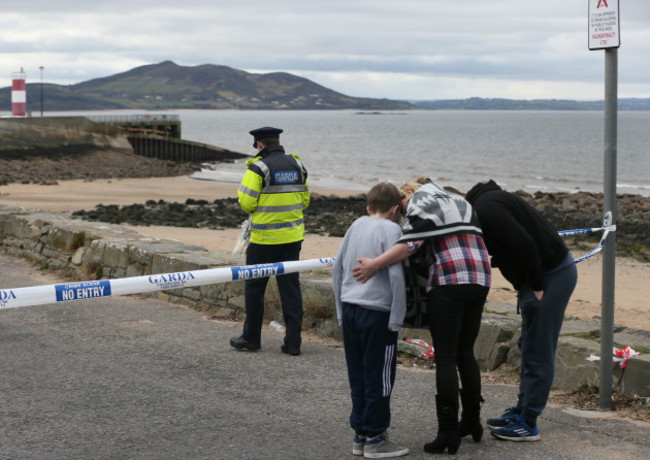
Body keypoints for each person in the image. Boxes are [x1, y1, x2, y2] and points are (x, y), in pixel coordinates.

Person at [354, 177, 491, 455]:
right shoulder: (461, 201)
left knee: (445, 357)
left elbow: (409, 245)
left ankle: (448, 433)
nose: (401, 213)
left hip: (449, 280)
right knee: (466, 353)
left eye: (400, 207)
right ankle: (472, 423)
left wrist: (374, 264)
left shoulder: (421, 201)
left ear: (407, 193)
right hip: (480, 279)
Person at [465, 179, 578, 442]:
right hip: (545, 274)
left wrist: (537, 286)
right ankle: (521, 410)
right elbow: (511, 244)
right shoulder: (490, 201)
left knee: (539, 349)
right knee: (528, 345)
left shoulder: (486, 210)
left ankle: (528, 423)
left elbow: (524, 244)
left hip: (550, 276)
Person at [332, 182, 410, 459]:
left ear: (368, 207)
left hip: (351, 308)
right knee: (381, 376)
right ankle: (376, 437)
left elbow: (338, 268)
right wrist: (398, 317)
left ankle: (360, 434)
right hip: (378, 313)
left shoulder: (356, 225)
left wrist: (340, 310)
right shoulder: (393, 230)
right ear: (393, 209)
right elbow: (396, 277)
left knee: (359, 375)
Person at [230, 127, 310, 356]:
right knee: (291, 289)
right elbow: (305, 200)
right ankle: (293, 341)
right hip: (293, 237)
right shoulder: (298, 165)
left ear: (259, 144)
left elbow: (246, 203)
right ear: (278, 141)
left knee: (255, 289)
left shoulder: (258, 168)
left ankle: (251, 338)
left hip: (264, 239)